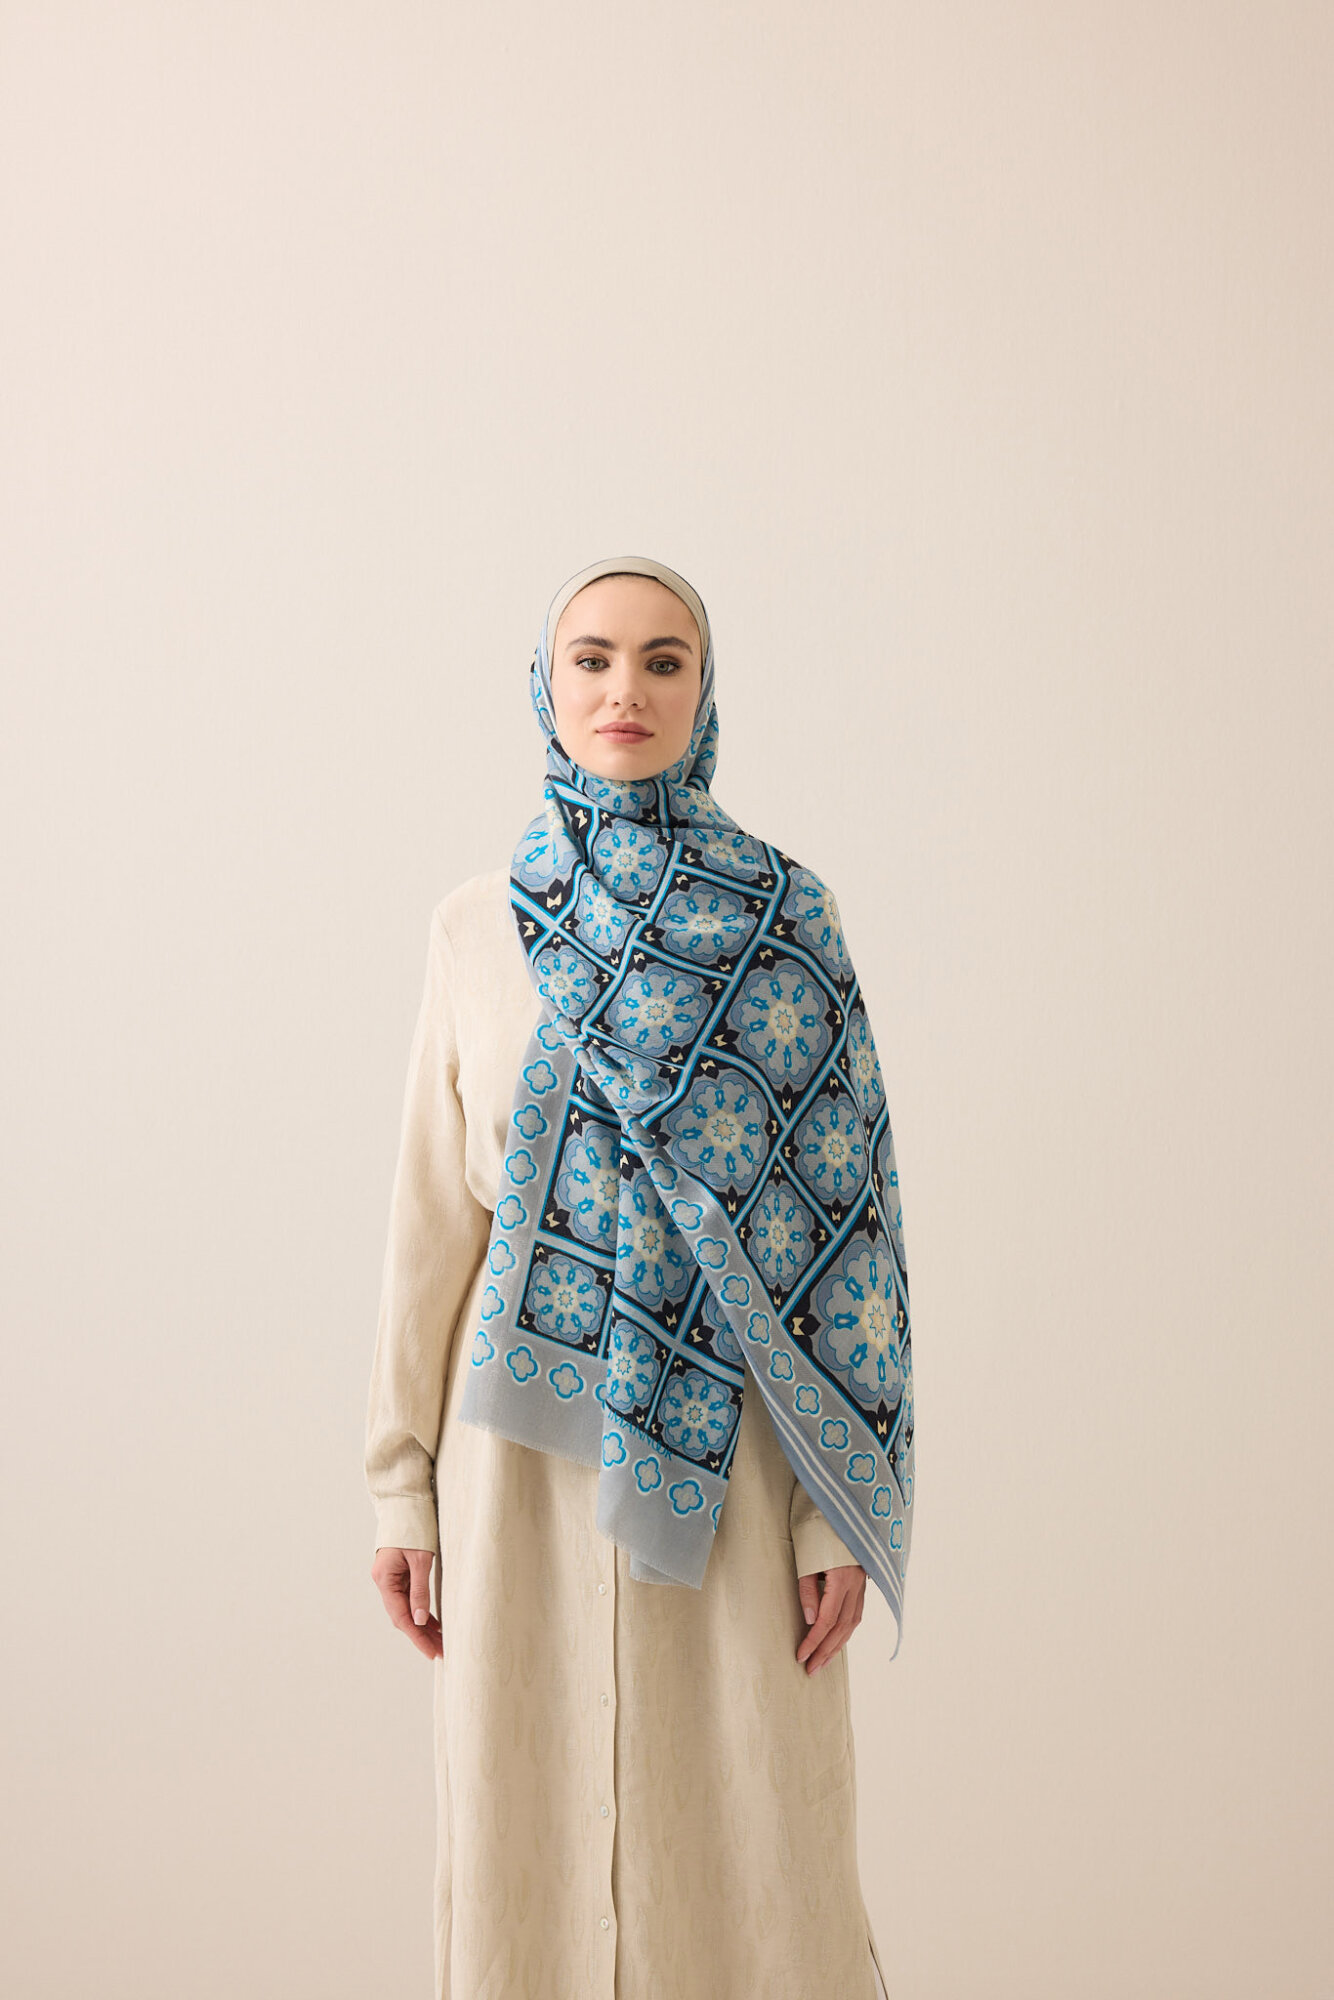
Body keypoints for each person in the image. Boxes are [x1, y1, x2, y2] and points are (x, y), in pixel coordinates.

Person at [364, 555, 913, 2000]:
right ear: (544, 687)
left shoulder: (789, 924)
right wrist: (398, 1482)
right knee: (524, 1830)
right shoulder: (477, 926)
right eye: (593, 658)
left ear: (705, 690)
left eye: (665, 661)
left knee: (757, 1836)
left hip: (735, 1458)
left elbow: (846, 1232)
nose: (626, 690)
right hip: (516, 1467)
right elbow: (433, 1222)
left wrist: (826, 1514)